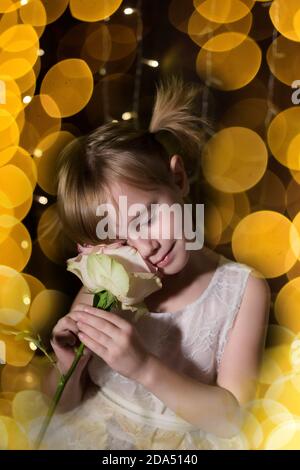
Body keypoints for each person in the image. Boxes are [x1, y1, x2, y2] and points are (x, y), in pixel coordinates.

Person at [29, 76, 270, 450]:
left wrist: (142, 367)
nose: (146, 244)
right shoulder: (107, 282)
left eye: (145, 218)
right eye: (120, 239)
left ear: (177, 178)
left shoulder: (242, 290)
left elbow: (232, 419)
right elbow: (60, 408)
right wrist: (69, 367)